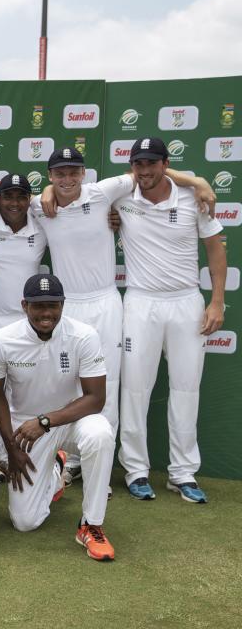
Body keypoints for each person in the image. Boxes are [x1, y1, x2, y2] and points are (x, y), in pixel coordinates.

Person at [34, 146, 215, 490]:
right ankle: (69, 462)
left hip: (106, 302)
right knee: (65, 385)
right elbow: (0, 205)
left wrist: (198, 181)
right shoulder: (41, 206)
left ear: (84, 174)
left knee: (109, 386)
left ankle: (102, 466)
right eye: (59, 173)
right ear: (50, 176)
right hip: (67, 307)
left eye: (74, 172)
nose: (68, 179)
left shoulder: (104, 192)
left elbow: (146, 174)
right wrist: (46, 192)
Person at [115, 137, 226, 503]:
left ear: (165, 164)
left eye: (152, 164)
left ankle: (182, 473)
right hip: (141, 302)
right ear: (131, 167)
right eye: (138, 165)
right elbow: (69, 192)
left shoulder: (195, 199)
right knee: (134, 388)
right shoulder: (122, 196)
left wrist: (217, 302)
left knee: (185, 388)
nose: (144, 172)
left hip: (185, 301)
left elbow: (215, 250)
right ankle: (136, 470)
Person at [0, 274, 116, 561]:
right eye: (38, 306)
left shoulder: (83, 335)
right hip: (25, 429)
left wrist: (46, 421)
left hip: (69, 419)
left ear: (62, 304)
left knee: (100, 433)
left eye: (53, 305)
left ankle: (91, 524)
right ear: (24, 306)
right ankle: (55, 471)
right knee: (25, 523)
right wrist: (10, 449)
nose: (46, 313)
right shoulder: (3, 340)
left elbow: (96, 399)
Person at [0, 174, 46, 335]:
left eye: (21, 197)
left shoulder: (43, 227)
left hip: (28, 322)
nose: (15, 203)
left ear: (29, 200)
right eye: (8, 197)